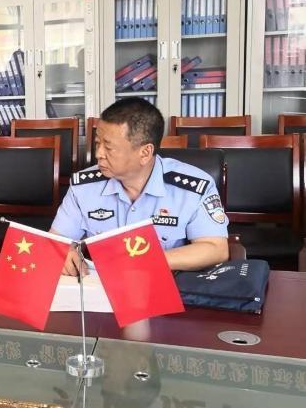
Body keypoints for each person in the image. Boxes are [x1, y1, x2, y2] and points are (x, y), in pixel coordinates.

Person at [52, 98, 228, 276]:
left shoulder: (192, 187)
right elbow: (57, 240)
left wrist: (143, 261)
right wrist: (64, 252)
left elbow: (215, 249)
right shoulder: (84, 186)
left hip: (163, 282)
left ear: (145, 153)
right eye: (98, 143)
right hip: (99, 283)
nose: (99, 154)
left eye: (109, 147)